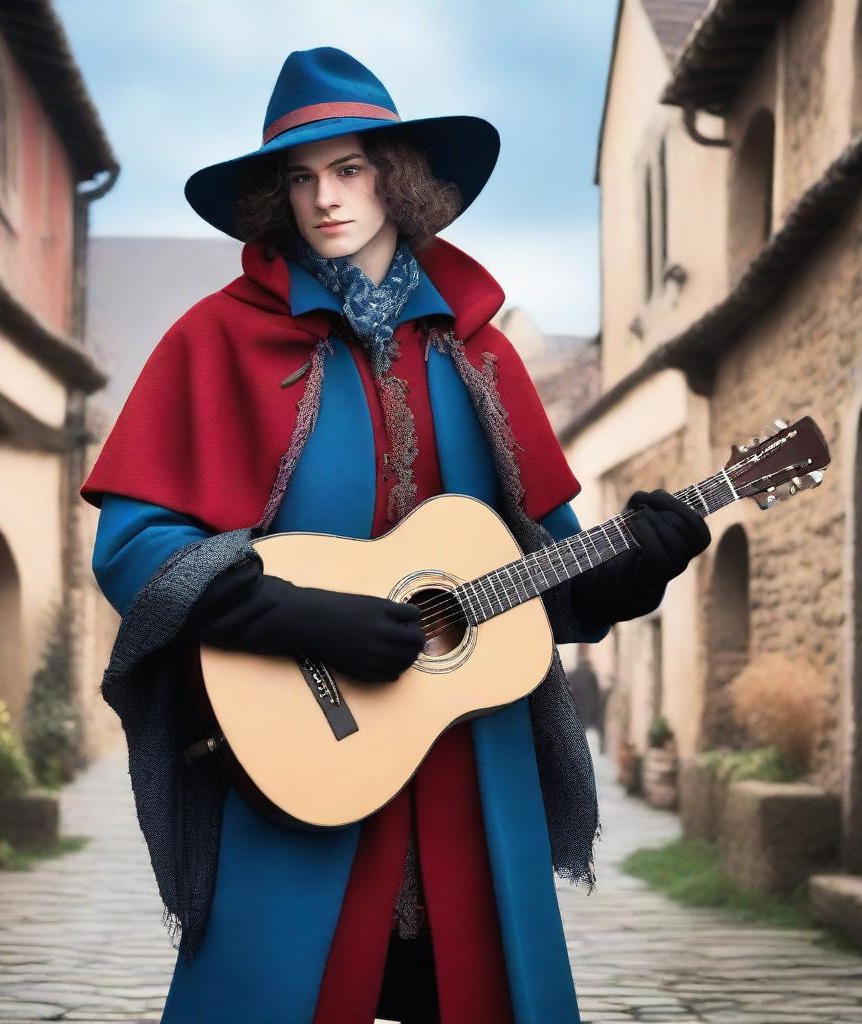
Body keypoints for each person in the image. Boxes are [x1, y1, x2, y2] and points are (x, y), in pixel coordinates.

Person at [80, 46, 710, 1024]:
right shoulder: (214, 338)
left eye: (349, 169)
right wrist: (298, 616)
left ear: (398, 177)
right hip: (302, 761)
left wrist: (636, 566)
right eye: (300, 178)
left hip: (471, 780)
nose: (325, 199)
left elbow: (549, 583)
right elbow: (130, 549)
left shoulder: (484, 355)